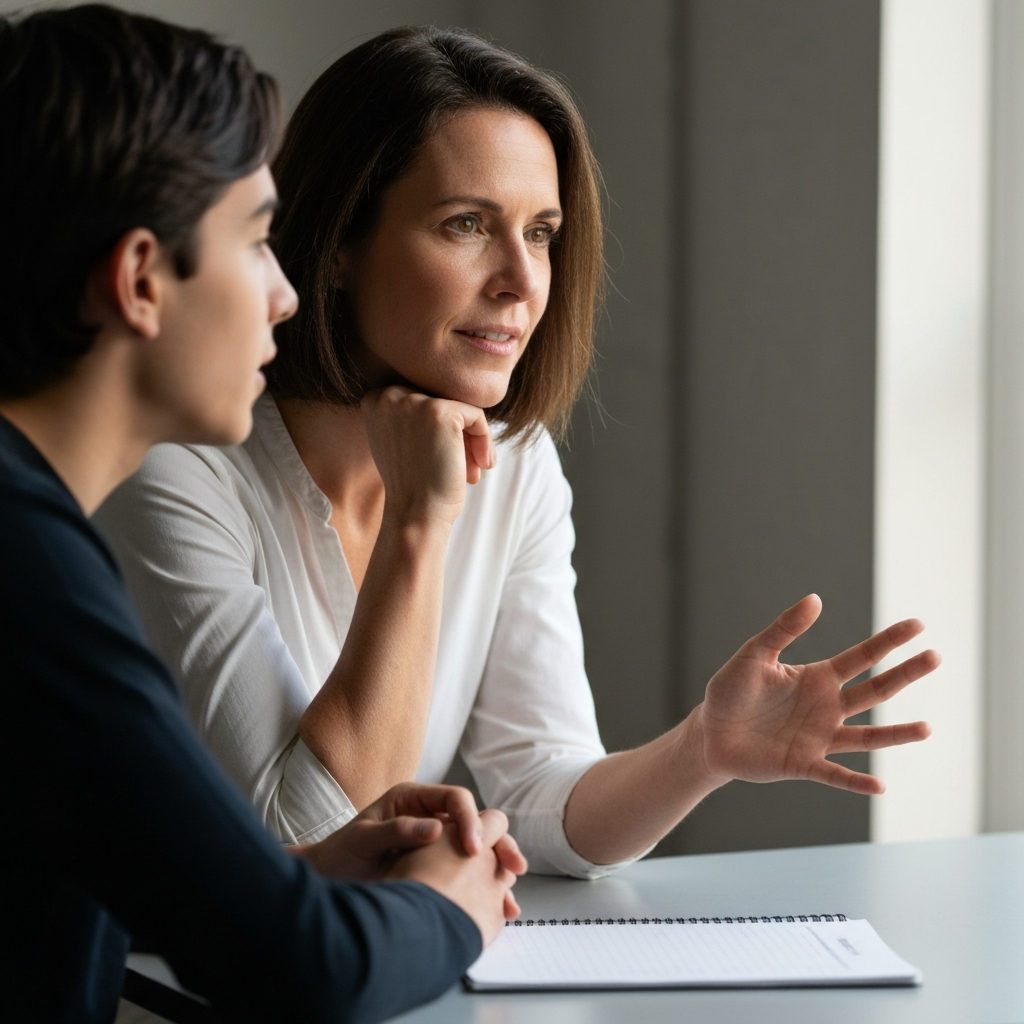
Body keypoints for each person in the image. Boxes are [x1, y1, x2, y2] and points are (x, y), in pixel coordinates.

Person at [97, 26, 941, 879]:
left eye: (540, 232)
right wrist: (420, 523)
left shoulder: (515, 463)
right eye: (466, 224)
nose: (522, 280)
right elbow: (307, 840)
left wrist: (702, 750)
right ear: (339, 244)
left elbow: (542, 792)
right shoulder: (176, 476)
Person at [0, 8, 528, 1024]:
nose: (286, 296)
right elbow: (307, 970)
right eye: (255, 242)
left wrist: (293, 871)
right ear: (139, 280)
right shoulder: (31, 569)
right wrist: (446, 908)